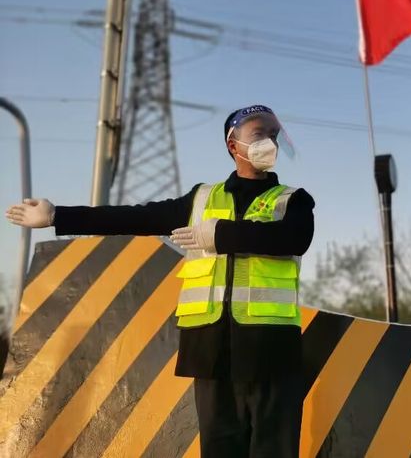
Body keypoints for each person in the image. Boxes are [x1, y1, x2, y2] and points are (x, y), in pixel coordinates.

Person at [5, 105, 315, 458]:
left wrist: (221, 234)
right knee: (220, 450)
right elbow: (136, 217)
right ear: (233, 145)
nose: (269, 142)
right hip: (212, 351)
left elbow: (293, 238)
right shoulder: (201, 199)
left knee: (275, 450)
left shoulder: (293, 200)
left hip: (270, 350)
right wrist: (58, 215)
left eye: (273, 135)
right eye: (259, 134)